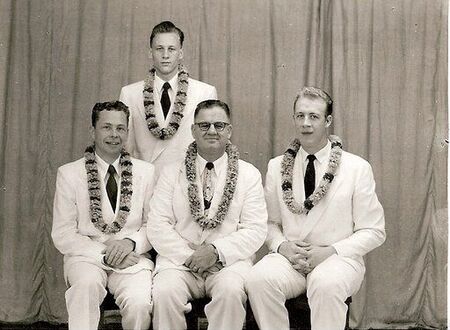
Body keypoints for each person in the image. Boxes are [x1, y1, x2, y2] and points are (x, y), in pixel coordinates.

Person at [245, 87, 386, 330]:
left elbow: (374, 231)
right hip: (291, 259)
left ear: (328, 120)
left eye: (314, 117)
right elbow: (269, 223)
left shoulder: (356, 168)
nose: (306, 124)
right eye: (300, 116)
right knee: (258, 280)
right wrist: (282, 246)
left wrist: (330, 251)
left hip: (338, 259)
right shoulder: (277, 166)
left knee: (326, 284)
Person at [147, 99, 267, 330]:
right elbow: (157, 224)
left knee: (231, 291)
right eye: (204, 125)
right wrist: (190, 257)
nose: (212, 131)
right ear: (193, 130)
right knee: (164, 292)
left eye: (219, 125)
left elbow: (255, 229)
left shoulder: (248, 174)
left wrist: (215, 252)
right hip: (179, 263)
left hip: (227, 264)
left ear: (229, 131)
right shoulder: (172, 172)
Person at [52, 101, 155, 330]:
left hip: (132, 258)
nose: (114, 135)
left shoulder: (146, 172)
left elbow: (154, 225)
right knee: (85, 287)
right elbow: (63, 233)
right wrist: (105, 254)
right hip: (85, 256)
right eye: (106, 127)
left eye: (120, 128)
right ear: (93, 131)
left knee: (139, 303)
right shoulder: (69, 173)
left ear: (127, 132)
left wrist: (130, 244)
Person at [119, 20, 217, 175]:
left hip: (186, 180)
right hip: (146, 180)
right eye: (159, 49)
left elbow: (209, 146)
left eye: (171, 49)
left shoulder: (205, 92)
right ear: (150, 52)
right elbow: (125, 147)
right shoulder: (129, 94)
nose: (165, 55)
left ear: (181, 53)